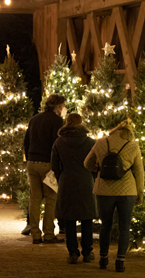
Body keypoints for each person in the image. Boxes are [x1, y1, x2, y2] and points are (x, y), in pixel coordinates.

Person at [84, 119, 144, 272]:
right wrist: (140, 191)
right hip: (127, 190)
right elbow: (139, 171)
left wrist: (98, 167)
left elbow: (87, 163)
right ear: (129, 133)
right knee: (125, 226)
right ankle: (120, 261)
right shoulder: (132, 145)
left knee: (106, 225)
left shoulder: (101, 142)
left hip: (104, 189)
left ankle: (103, 259)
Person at [51, 113, 96, 264]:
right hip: (85, 180)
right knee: (87, 218)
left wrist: (61, 178)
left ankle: (73, 253)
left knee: (69, 219)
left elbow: (55, 166)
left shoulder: (59, 142)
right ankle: (88, 252)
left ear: (67, 122)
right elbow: (95, 163)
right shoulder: (90, 142)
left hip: (67, 180)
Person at [24, 93, 66, 244]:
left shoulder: (34, 119)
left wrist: (28, 157)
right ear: (58, 106)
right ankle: (48, 233)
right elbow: (57, 144)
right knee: (50, 198)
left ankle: (35, 233)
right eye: (63, 106)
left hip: (32, 163)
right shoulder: (57, 121)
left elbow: (26, 141)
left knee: (34, 198)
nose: (64, 109)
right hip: (48, 164)